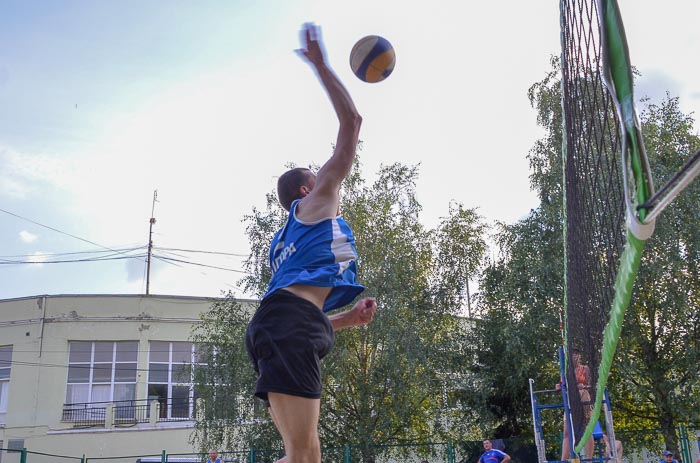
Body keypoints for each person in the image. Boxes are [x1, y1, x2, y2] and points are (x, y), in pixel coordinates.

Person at [245, 22, 377, 463]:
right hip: (286, 327)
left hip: (280, 326)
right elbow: (352, 124)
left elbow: (303, 312)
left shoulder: (283, 243)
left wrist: (347, 320)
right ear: (307, 190)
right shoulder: (316, 203)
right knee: (304, 456)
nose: (324, 177)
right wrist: (322, 66)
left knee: (300, 454)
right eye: (315, 176)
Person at [559, 348, 594, 461]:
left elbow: (590, 385)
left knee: (587, 427)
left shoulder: (585, 369)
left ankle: (589, 458)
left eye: (577, 354)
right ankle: (563, 459)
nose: (575, 356)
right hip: (570, 401)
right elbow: (562, 385)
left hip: (583, 397)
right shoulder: (565, 370)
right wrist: (559, 386)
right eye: (573, 354)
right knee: (567, 431)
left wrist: (583, 386)